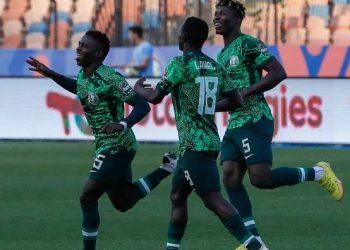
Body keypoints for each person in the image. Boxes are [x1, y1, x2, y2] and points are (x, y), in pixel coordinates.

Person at [26, 30, 177, 250]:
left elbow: (142, 105)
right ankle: (166, 168)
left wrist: (122, 123)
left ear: (97, 53)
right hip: (108, 145)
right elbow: (77, 87)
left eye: (83, 46)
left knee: (87, 197)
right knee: (123, 202)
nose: (78, 48)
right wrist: (51, 74)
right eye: (78, 44)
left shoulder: (110, 77)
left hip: (118, 145)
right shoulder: (84, 75)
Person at [213, 1, 343, 248]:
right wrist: (205, 107)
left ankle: (318, 172)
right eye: (216, 13)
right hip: (235, 123)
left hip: (255, 119)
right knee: (230, 177)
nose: (217, 17)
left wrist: (247, 92)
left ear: (238, 19)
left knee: (260, 178)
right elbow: (230, 98)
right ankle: (254, 241)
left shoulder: (248, 44)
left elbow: (278, 72)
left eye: (223, 13)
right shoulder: (221, 55)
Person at [134, 17, 265, 250]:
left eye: (179, 33)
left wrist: (138, 90)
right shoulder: (215, 66)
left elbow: (155, 97)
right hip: (203, 142)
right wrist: (209, 104)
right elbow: (236, 99)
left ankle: (256, 247)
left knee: (213, 200)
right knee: (177, 195)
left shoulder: (179, 64)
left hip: (195, 146)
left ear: (183, 38)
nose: (178, 37)